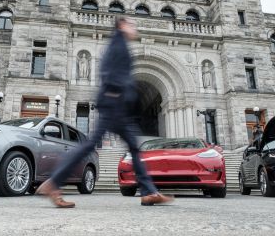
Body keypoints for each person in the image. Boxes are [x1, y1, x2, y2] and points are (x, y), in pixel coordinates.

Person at [36, 16, 173, 208]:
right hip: (114, 104)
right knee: (92, 145)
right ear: (122, 26)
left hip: (117, 105)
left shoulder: (120, 44)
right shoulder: (117, 45)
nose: (135, 29)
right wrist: (116, 95)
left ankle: (148, 192)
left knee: (130, 147)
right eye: (131, 25)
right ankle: (53, 182)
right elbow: (109, 71)